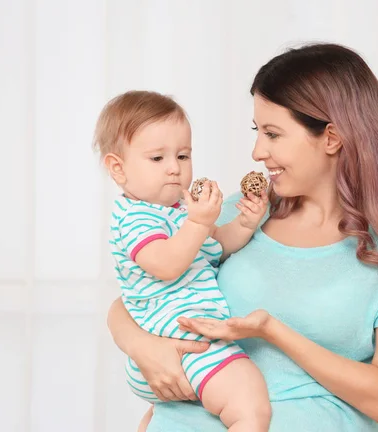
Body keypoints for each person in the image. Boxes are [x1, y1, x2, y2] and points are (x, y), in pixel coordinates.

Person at [107, 43, 378, 432]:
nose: (256, 151)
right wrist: (142, 346)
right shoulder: (243, 213)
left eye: (272, 134)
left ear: (331, 138)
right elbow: (141, 291)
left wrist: (271, 330)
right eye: (257, 131)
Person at [95, 90, 271, 431]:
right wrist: (199, 223)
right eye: (157, 159)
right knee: (250, 406)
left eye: (183, 155)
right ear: (118, 169)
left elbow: (217, 246)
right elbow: (166, 264)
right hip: (179, 342)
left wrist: (244, 223)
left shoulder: (178, 212)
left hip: (180, 347)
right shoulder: (135, 218)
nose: (174, 169)